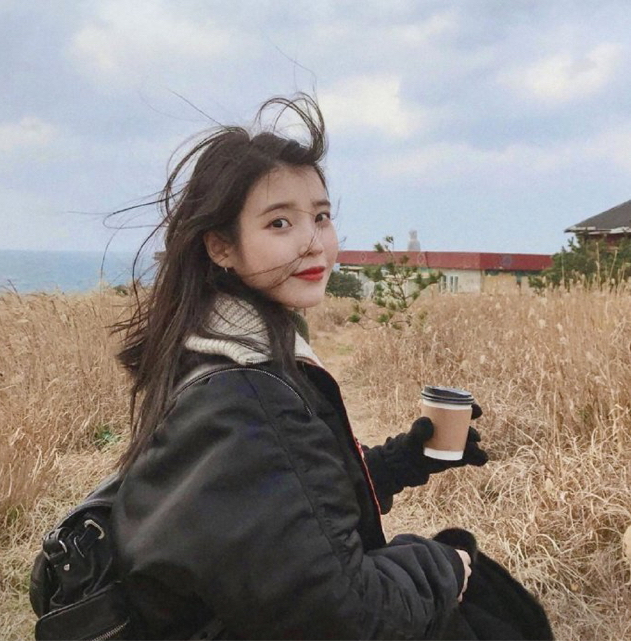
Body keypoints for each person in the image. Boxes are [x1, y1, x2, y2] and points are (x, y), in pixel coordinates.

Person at [109, 94, 526, 640]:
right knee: (498, 606)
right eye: (280, 222)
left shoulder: (217, 351)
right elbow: (348, 616)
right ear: (222, 246)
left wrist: (403, 461)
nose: (314, 243)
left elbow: (284, 506)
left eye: (322, 217)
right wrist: (447, 565)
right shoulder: (242, 397)